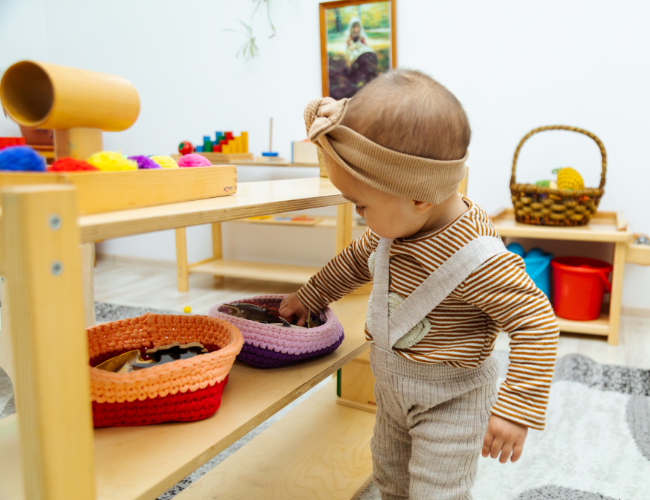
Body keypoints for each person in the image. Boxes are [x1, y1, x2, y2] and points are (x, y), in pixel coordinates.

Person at [279, 69, 559, 500]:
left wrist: (516, 409)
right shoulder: (395, 227)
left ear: (418, 196)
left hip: (452, 400)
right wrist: (310, 296)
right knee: (390, 477)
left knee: (436, 491)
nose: (360, 218)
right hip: (392, 388)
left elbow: (537, 324)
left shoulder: (479, 261)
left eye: (361, 206)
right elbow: (354, 261)